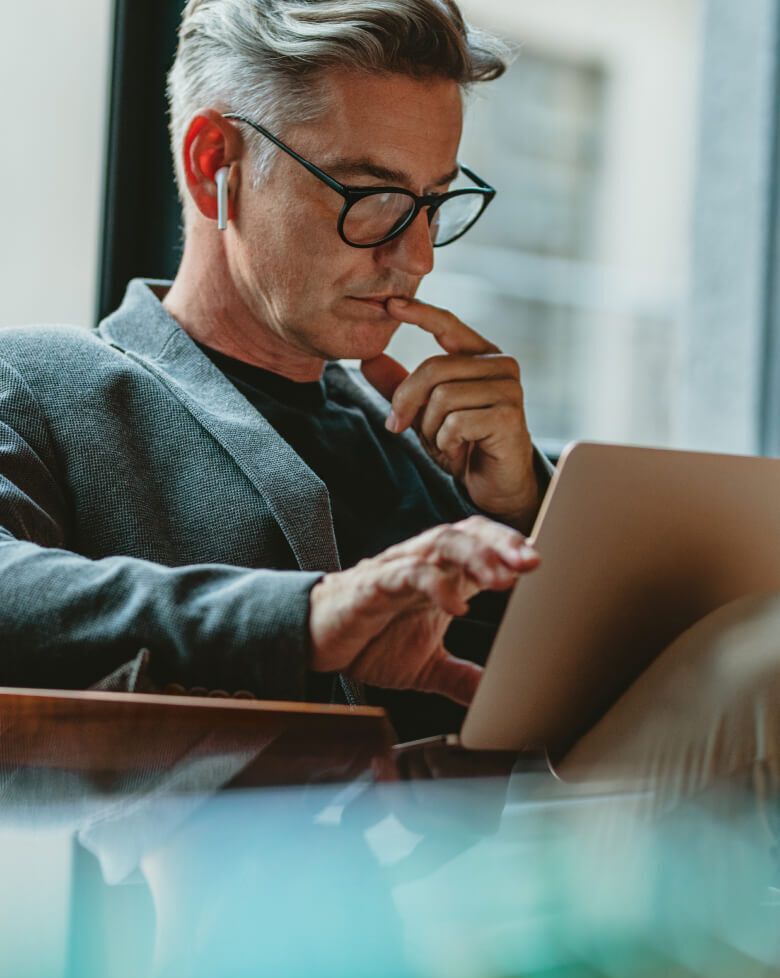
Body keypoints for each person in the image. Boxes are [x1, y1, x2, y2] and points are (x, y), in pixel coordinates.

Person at [0, 0, 777, 817]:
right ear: (211, 163)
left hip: (540, 850)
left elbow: (617, 708)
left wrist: (527, 510)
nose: (418, 256)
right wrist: (306, 617)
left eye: (436, 199)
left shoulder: (423, 434)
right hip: (301, 883)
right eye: (371, 195)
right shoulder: (46, 384)